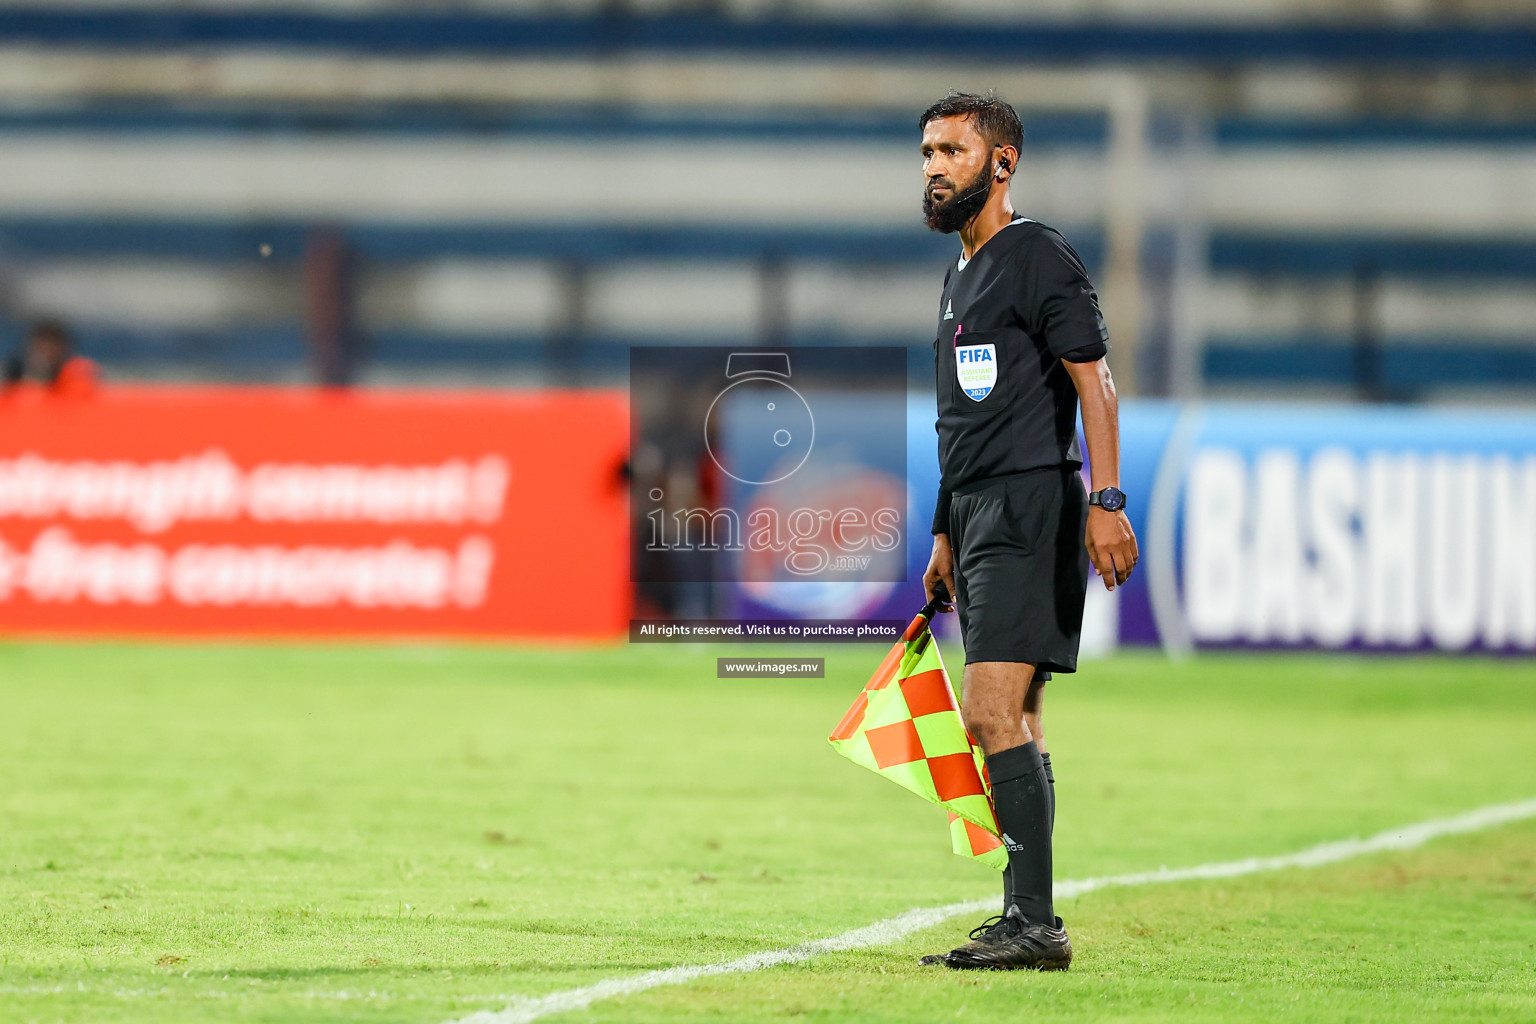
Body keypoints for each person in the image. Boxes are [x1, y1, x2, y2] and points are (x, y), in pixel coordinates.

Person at [916, 92, 1139, 971]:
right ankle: (1025, 917)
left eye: (953, 152)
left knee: (989, 710)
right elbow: (962, 419)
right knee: (1024, 716)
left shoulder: (1037, 255)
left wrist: (1109, 500)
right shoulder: (957, 276)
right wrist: (942, 533)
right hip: (974, 512)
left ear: (1001, 164)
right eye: (927, 152)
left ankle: (1036, 926)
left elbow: (1097, 383)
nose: (934, 167)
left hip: (1028, 504)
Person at [2, 319, 97, 396]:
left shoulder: (78, 380)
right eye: (41, 349)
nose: (46, 355)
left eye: (53, 349)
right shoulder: (11, 380)